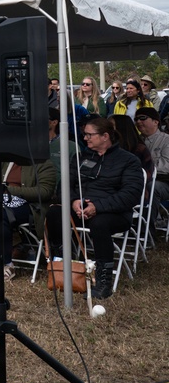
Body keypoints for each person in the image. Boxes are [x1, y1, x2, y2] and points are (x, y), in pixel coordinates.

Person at [45, 117, 144, 300]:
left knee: (99, 223)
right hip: (79, 208)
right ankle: (60, 266)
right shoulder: (81, 157)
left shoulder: (128, 161)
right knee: (54, 213)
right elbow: (65, 186)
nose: (85, 138)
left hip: (113, 213)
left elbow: (130, 195)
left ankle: (103, 281)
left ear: (105, 136)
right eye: (85, 135)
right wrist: (73, 201)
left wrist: (97, 207)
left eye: (89, 135)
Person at [0, 159, 57, 282]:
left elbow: (45, 191)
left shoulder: (42, 162)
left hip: (29, 205)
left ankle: (7, 263)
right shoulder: (3, 161)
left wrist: (9, 190)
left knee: (2, 215)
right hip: (0, 202)